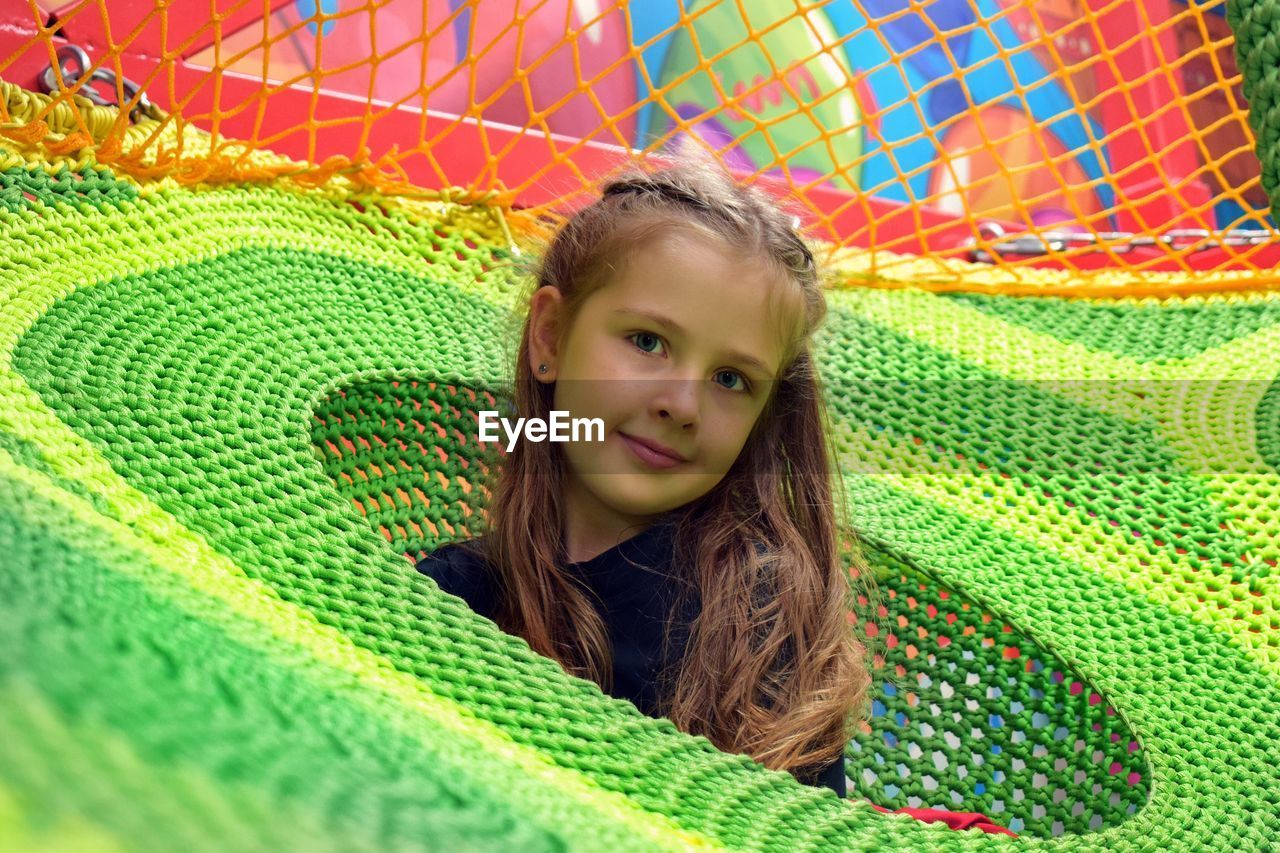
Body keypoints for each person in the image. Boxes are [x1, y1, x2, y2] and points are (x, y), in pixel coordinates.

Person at [417, 157, 1014, 837]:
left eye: (731, 379)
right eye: (648, 342)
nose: (682, 404)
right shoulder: (455, 592)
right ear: (551, 337)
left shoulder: (756, 622)